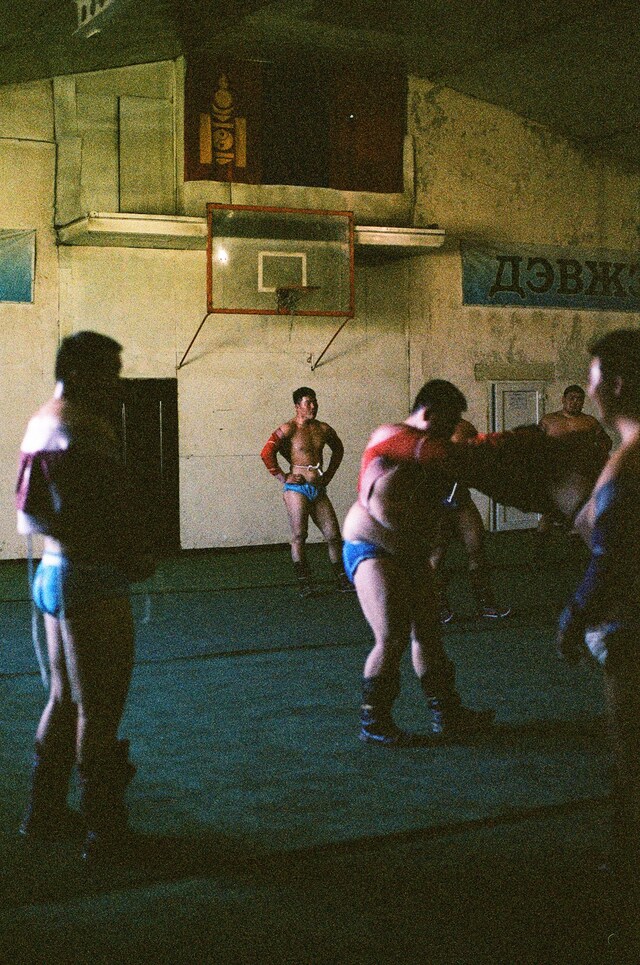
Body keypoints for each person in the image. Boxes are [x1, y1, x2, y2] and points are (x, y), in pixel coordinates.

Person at [16, 331, 154, 864]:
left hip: (52, 568)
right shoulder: (87, 425)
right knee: (100, 710)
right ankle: (104, 832)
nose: (117, 385)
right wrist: (132, 557)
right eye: (112, 373)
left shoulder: (40, 419)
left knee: (64, 697)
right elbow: (103, 507)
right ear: (86, 372)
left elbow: (36, 510)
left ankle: (43, 814)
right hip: (90, 575)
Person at [342, 380, 497, 745]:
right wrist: (491, 445)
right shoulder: (390, 435)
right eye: (447, 423)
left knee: (428, 635)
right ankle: (373, 723)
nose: (449, 432)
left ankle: (447, 714)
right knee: (391, 636)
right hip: (371, 546)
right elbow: (438, 454)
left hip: (410, 553)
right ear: (428, 414)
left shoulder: (438, 449)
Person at [556, 330, 640, 935]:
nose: (587, 389)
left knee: (629, 763)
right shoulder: (621, 449)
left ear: (614, 382)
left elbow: (610, 551)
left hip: (631, 629)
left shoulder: (632, 456)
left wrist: (574, 614)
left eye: (592, 377)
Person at [261, 387, 353, 596]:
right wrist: (283, 477)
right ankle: (305, 582)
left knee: (333, 535)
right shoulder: (288, 429)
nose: (313, 406)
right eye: (308, 403)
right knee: (300, 534)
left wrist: (329, 474)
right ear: (297, 407)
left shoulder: (323, 429)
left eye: (315, 402)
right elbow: (266, 453)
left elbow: (338, 449)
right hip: (296, 489)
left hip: (318, 488)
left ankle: (341, 579)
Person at [429, 417, 511, 623]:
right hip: (435, 499)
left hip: (460, 499)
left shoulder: (465, 428)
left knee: (477, 545)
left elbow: (478, 457)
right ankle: (435, 604)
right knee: (437, 552)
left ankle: (486, 602)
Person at [538, 384, 611, 535]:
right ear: (563, 400)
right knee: (549, 513)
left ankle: (576, 550)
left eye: (579, 399)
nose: (575, 402)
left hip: (582, 473)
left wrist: (595, 451)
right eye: (571, 398)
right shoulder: (549, 420)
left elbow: (605, 442)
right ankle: (540, 551)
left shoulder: (589, 422)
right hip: (556, 474)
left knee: (580, 512)